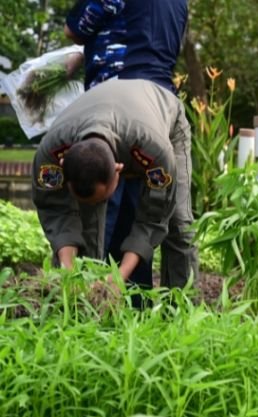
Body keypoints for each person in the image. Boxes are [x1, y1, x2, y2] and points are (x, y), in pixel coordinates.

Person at [63, 0, 189, 291]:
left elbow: (75, 28)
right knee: (146, 210)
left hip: (115, 107)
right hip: (160, 106)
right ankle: (143, 300)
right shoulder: (180, 4)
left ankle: (88, 296)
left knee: (101, 210)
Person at [31, 77, 197, 295]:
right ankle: (76, 304)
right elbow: (54, 209)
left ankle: (181, 310)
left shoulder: (156, 150)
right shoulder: (51, 152)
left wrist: (118, 278)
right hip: (106, 116)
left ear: (119, 169)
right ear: (63, 168)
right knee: (88, 223)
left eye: (102, 197)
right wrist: (68, 269)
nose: (98, 204)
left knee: (178, 223)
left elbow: (154, 217)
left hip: (163, 121)